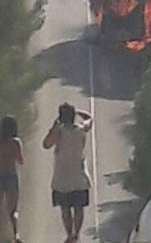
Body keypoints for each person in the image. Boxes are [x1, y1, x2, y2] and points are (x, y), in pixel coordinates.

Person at [43, 103, 93, 243]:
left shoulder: (58, 132)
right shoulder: (81, 129)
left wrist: (53, 126)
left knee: (65, 209)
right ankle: (76, 234)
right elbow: (90, 119)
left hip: (61, 177)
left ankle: (69, 234)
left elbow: (46, 144)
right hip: (78, 175)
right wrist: (79, 112)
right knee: (79, 208)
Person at [0, 115, 24, 243]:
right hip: (10, 175)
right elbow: (21, 160)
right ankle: (16, 235)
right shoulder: (15, 142)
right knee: (12, 210)